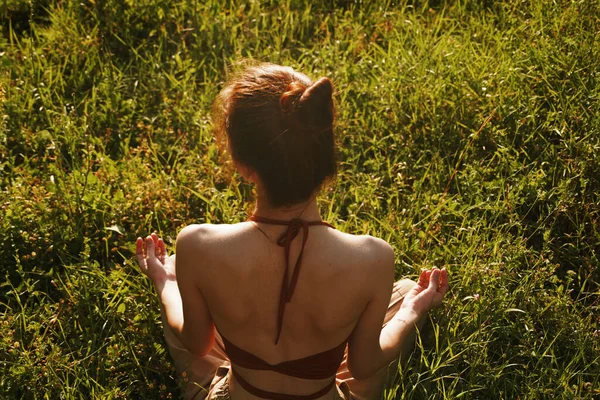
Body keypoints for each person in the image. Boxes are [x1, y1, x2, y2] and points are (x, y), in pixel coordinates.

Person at [135, 63, 449, 400]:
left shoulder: (198, 244)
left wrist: (165, 280)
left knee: (186, 289)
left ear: (241, 162)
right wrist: (412, 311)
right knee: (403, 292)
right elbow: (365, 364)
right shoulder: (373, 256)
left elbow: (197, 343)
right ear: (325, 159)